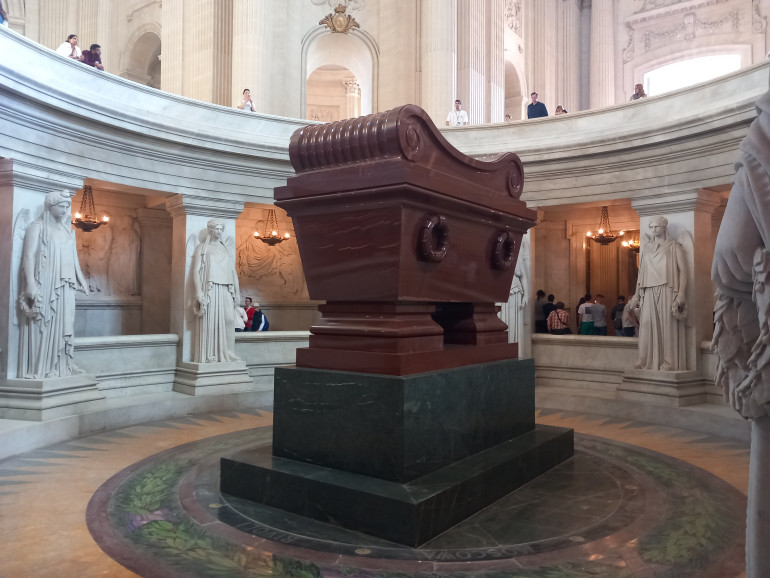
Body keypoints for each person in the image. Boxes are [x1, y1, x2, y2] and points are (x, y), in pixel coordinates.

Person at [18, 190, 90, 379]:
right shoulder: (37, 227)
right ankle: (43, 367)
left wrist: (80, 280)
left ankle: (61, 364)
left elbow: (73, 258)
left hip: (66, 285)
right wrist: (30, 283)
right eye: (62, 206)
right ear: (50, 206)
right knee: (46, 323)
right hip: (48, 283)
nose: (66, 210)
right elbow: (28, 256)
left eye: (67, 206)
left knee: (66, 322)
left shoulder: (67, 230)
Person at [628, 216, 688, 370]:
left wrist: (681, 294)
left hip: (667, 289)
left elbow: (683, 271)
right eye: (651, 227)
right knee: (646, 325)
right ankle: (644, 360)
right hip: (648, 290)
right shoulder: (646, 248)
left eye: (656, 227)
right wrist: (636, 295)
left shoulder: (674, 247)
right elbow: (641, 274)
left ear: (664, 227)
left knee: (666, 326)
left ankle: (668, 362)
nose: (653, 230)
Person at [191, 219, 241, 363]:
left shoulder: (225, 248)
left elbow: (233, 272)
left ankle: (227, 353)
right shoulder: (202, 248)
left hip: (226, 288)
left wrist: (237, 292)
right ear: (210, 230)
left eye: (221, 229)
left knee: (229, 320)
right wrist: (198, 292)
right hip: (211, 288)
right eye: (217, 229)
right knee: (210, 322)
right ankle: (210, 354)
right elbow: (195, 271)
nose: (219, 232)